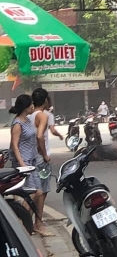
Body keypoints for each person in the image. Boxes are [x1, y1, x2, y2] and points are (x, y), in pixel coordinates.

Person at [9, 94, 46, 236]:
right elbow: (14, 144)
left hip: (32, 161)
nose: (32, 107)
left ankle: (26, 224)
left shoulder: (28, 120)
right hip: (24, 162)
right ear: (25, 107)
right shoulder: (17, 123)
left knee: (39, 192)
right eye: (30, 105)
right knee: (33, 192)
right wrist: (22, 164)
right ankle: (21, 224)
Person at [28, 88, 55, 237]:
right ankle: (38, 223)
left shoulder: (31, 116)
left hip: (32, 157)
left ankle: (30, 221)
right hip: (40, 159)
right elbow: (40, 137)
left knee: (35, 190)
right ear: (45, 101)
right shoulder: (43, 116)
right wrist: (44, 154)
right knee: (42, 192)